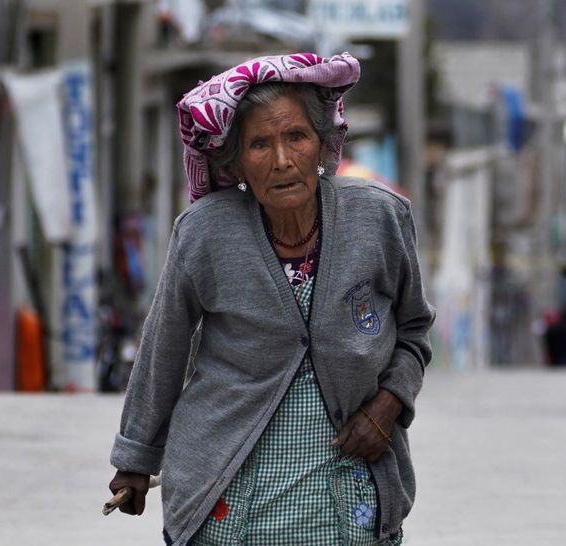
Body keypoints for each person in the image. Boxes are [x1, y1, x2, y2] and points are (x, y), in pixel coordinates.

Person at [108, 52, 435, 546]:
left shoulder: (380, 219)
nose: (281, 160)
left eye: (296, 137)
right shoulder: (205, 233)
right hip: (226, 497)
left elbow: (413, 330)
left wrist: (388, 405)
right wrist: (135, 458)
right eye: (260, 143)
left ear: (323, 146)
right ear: (235, 161)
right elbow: (164, 348)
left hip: (347, 500)